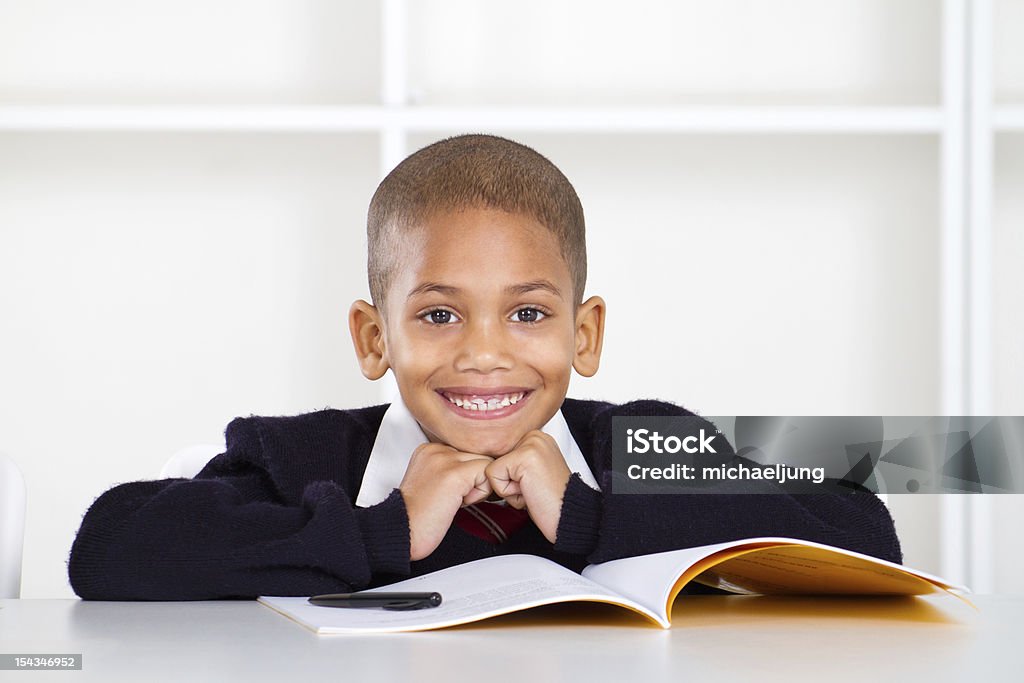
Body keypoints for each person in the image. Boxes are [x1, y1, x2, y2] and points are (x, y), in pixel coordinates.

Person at [67, 134, 901, 600]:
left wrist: (589, 518)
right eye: (438, 314)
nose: (483, 352)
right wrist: (380, 530)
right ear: (373, 337)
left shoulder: (636, 444)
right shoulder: (307, 459)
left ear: (585, 334)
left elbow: (861, 527)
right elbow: (109, 547)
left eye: (529, 313)